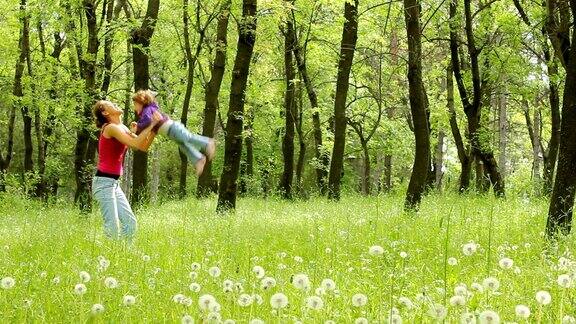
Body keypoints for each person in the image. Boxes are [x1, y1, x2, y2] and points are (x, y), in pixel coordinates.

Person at [92, 100, 162, 241]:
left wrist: (155, 129)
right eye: (109, 104)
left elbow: (142, 146)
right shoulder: (110, 128)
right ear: (105, 112)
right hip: (103, 183)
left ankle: (124, 256)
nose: (114, 103)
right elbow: (135, 143)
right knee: (112, 227)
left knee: (130, 223)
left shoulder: (122, 127)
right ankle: (107, 259)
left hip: (114, 184)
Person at [131, 90, 215, 176]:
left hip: (173, 128)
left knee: (188, 138)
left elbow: (147, 121)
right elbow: (147, 124)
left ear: (141, 102)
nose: (134, 108)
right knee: (183, 146)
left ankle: (207, 143)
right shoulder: (147, 110)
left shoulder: (147, 110)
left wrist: (138, 127)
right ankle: (198, 159)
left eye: (135, 104)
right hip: (170, 132)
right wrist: (138, 127)